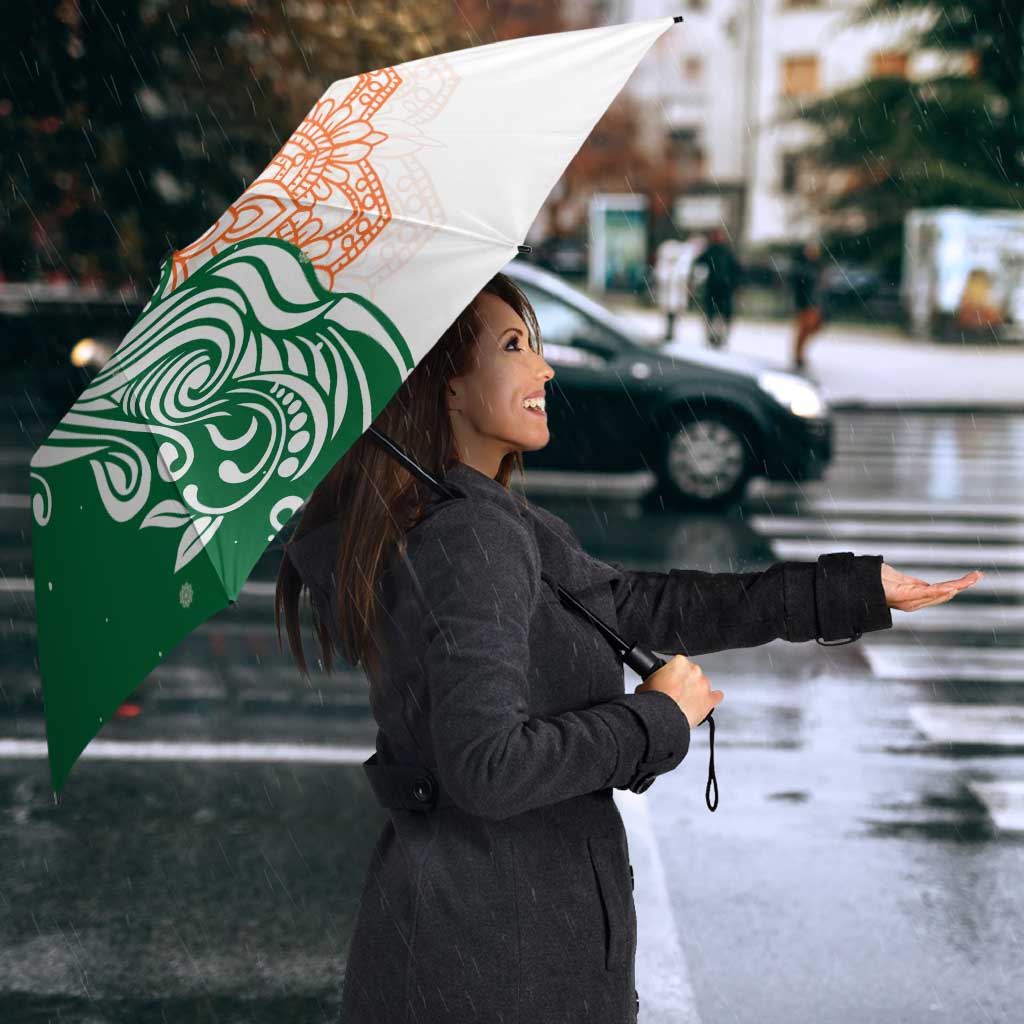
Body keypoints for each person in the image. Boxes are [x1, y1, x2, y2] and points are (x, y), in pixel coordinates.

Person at [275, 272, 976, 1024]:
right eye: (514, 346)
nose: (544, 368)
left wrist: (849, 590)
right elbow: (487, 768)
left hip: (483, 941)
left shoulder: (476, 517)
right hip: (499, 963)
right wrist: (656, 719)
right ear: (446, 386)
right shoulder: (469, 537)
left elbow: (639, 605)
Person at [692, 226, 742, 349]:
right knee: (713, 314)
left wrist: (735, 284)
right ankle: (713, 337)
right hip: (715, 288)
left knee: (720, 315)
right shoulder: (712, 251)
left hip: (723, 288)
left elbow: (736, 270)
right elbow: (698, 264)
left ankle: (719, 337)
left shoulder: (725, 252)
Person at [790, 239, 826, 370]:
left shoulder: (817, 266)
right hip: (805, 303)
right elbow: (799, 286)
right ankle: (798, 355)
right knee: (804, 329)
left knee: (812, 328)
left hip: (814, 303)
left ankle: (799, 354)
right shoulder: (802, 267)